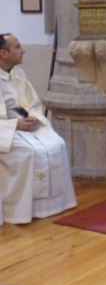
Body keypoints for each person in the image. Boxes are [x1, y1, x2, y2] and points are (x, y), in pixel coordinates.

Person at [0, 33, 76, 224]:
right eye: (17, 47)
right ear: (3, 53)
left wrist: (34, 117)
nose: (23, 50)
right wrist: (14, 125)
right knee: (30, 151)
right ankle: (20, 210)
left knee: (57, 144)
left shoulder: (18, 74)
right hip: (6, 130)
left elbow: (32, 103)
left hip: (23, 124)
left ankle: (54, 205)